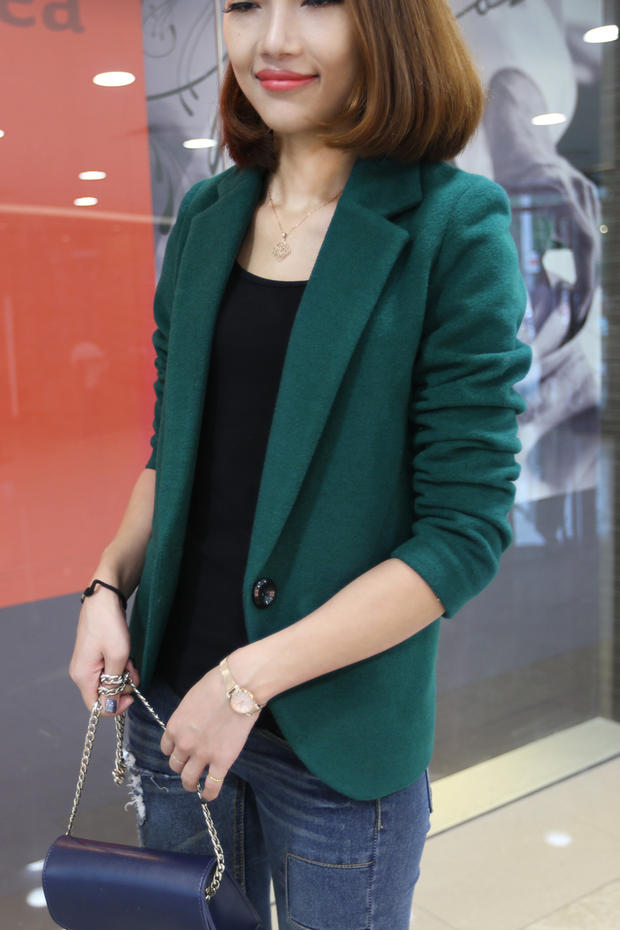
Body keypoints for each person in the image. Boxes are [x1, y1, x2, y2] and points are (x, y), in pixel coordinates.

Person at [69, 0, 533, 927]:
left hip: (333, 748)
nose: (272, 39)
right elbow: (173, 454)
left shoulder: (454, 225)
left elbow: (462, 533)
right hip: (173, 714)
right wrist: (106, 585)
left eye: (317, 1)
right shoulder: (209, 216)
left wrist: (248, 680)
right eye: (245, 5)